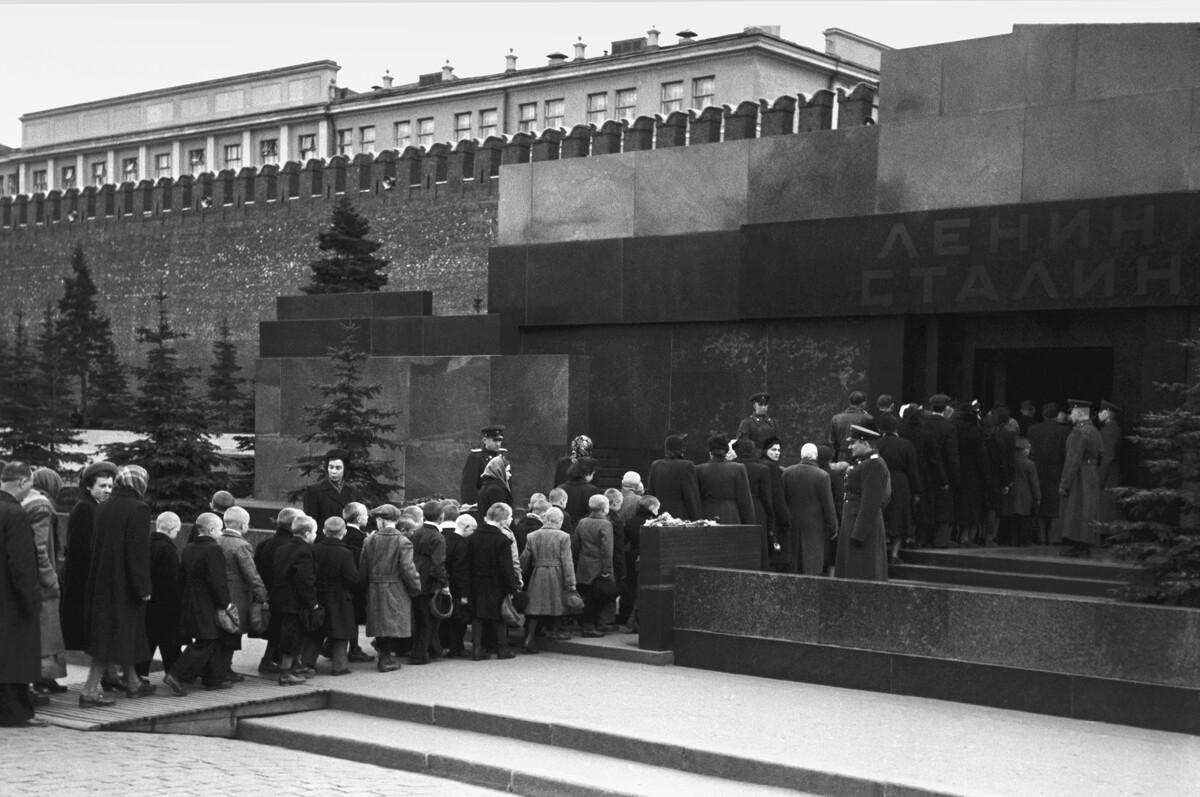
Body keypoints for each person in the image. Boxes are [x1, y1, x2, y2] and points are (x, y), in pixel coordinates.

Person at [80, 464, 156, 705]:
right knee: (112, 636)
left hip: (101, 581)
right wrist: (143, 588)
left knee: (119, 634)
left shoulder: (103, 507)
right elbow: (137, 553)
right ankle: (89, 690)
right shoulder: (139, 509)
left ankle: (133, 682)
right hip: (124, 586)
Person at [162, 513, 232, 696]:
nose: (222, 532)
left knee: (207, 638)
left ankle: (211, 679)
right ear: (211, 530)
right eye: (220, 529)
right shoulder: (214, 549)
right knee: (207, 640)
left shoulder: (188, 549)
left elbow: (182, 577)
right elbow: (218, 580)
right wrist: (225, 603)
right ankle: (177, 674)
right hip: (207, 603)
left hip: (190, 601)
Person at [0, 462, 46, 727]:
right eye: (30, 484)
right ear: (22, 482)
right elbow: (22, 564)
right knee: (15, 658)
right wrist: (32, 599)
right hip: (12, 601)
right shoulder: (15, 514)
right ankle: (16, 713)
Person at [59, 461, 117, 658]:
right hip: (82, 581)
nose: (108, 490)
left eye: (110, 486)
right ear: (88, 486)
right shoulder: (86, 508)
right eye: (102, 486)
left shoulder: (95, 507)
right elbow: (82, 551)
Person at [22, 468, 67, 695]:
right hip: (42, 579)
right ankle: (39, 681)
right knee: (45, 634)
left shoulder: (29, 501)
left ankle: (43, 679)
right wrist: (50, 578)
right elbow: (40, 547)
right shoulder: (42, 506)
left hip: (32, 577)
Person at [360, 505, 422, 672]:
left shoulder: (369, 540)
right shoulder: (403, 541)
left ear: (381, 521)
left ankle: (384, 657)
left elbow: (363, 568)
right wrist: (416, 587)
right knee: (391, 623)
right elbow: (408, 569)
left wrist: (364, 587)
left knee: (379, 623)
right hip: (395, 587)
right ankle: (385, 660)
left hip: (374, 586)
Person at [215, 506, 267, 684]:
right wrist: (263, 596)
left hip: (217, 593)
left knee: (219, 634)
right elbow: (251, 575)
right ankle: (224, 669)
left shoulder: (216, 540)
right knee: (232, 633)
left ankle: (219, 667)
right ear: (243, 524)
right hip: (236, 596)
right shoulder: (242, 545)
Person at [834, 425, 891, 582]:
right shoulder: (864, 462)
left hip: (862, 528)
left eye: (854, 443)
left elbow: (871, 502)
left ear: (865, 444)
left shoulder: (874, 464)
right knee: (850, 570)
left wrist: (859, 533)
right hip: (852, 522)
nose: (850, 446)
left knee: (861, 572)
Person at [271, 515, 321, 684]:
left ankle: (290, 667)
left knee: (284, 635)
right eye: (314, 532)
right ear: (307, 533)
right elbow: (305, 580)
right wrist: (312, 603)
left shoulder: (282, 549)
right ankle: (286, 673)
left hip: (279, 599)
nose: (315, 535)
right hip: (295, 601)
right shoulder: (305, 552)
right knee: (292, 637)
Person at [519, 506, 576, 652]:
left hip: (537, 572)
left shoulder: (532, 536)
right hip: (556, 573)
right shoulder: (564, 537)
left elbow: (524, 558)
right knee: (557, 602)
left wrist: (520, 575)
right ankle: (555, 632)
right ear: (560, 520)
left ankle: (529, 636)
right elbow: (567, 561)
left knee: (535, 606)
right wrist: (571, 582)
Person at [468, 503, 519, 659]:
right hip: (496, 583)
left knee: (477, 616)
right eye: (509, 517)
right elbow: (506, 567)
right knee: (500, 615)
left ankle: (477, 649)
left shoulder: (472, 538)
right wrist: (512, 586)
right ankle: (502, 649)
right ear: (503, 521)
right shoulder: (502, 540)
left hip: (475, 581)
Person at [136, 511, 183, 681]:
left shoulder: (146, 544)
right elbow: (171, 581)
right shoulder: (168, 549)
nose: (177, 534)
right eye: (177, 530)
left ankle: (138, 675)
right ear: (170, 529)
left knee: (148, 641)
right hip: (165, 605)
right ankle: (174, 675)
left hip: (147, 603)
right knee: (170, 643)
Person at [253, 507, 300, 674]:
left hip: (267, 592)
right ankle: (287, 663)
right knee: (285, 629)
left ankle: (269, 658)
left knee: (275, 629)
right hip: (284, 595)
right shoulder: (291, 546)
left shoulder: (264, 543)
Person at [312, 517, 361, 675]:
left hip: (318, 594)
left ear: (324, 531)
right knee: (341, 631)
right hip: (340, 597)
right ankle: (340, 666)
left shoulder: (315, 549)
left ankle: (307, 663)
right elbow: (353, 577)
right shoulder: (346, 553)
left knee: (316, 631)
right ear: (344, 532)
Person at [782, 444, 838, 576]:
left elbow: (783, 501)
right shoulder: (823, 476)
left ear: (801, 456)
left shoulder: (787, 472)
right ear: (816, 456)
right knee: (812, 564)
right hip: (815, 527)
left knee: (794, 565)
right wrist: (833, 527)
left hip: (792, 525)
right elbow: (828, 505)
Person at [1059, 399, 1104, 557]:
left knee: (1076, 509)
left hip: (1080, 474)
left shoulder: (1078, 432)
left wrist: (1065, 484)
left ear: (1079, 413)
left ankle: (1078, 543)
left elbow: (1072, 460)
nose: (1070, 415)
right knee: (1088, 509)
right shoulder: (1095, 431)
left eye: (1072, 412)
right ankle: (1085, 543)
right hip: (1091, 473)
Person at [876, 413, 921, 563]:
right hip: (901, 483)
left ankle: (880, 552)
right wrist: (916, 491)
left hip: (881, 480)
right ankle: (894, 555)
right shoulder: (906, 445)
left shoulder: (877, 444)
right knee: (899, 517)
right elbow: (913, 470)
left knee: (883, 516)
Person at [409, 501, 450, 665]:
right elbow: (438, 565)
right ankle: (420, 654)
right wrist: (445, 584)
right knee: (429, 620)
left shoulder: (416, 533)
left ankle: (431, 650)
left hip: (414, 577)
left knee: (419, 618)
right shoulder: (438, 537)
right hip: (429, 582)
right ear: (442, 517)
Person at [1027, 402, 1070, 544]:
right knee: (1055, 509)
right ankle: (1054, 539)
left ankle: (1041, 539)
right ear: (1057, 415)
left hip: (1037, 472)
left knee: (1039, 507)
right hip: (1056, 473)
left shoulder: (1032, 430)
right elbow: (1066, 454)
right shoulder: (1064, 431)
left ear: (1042, 414)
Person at [573, 494, 614, 638]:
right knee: (596, 598)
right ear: (604, 509)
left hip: (584, 564)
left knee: (586, 595)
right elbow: (607, 549)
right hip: (598, 566)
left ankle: (585, 622)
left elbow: (575, 544)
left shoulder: (582, 522)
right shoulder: (605, 524)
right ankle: (590, 626)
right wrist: (608, 569)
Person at [923, 394, 960, 548]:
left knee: (926, 505)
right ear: (946, 409)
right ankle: (940, 540)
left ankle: (923, 539)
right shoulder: (949, 427)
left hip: (925, 471)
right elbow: (951, 455)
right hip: (943, 471)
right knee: (943, 508)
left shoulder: (924, 423)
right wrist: (954, 477)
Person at [339, 502, 374, 663]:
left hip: (342, 582)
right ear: (359, 519)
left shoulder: (343, 533)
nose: (368, 516)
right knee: (353, 616)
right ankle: (354, 648)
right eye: (366, 514)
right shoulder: (359, 538)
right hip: (355, 583)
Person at [733, 438, 774, 569]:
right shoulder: (762, 469)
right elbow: (767, 497)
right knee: (758, 547)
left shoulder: (732, 466)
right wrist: (771, 518)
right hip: (757, 508)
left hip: (736, 508)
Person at [696, 435, 755, 525]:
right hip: (731, 515)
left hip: (707, 515)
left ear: (710, 452)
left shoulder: (699, 469)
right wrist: (750, 524)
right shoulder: (738, 468)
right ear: (726, 451)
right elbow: (745, 500)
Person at [438, 509, 473, 658]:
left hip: (446, 585)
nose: (473, 532)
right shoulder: (462, 545)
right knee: (459, 621)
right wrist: (465, 594)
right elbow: (461, 572)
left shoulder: (446, 540)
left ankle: (446, 644)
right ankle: (456, 647)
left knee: (446, 620)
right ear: (466, 527)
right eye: (473, 529)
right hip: (458, 589)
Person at [647, 434, 702, 521]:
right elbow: (691, 497)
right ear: (681, 449)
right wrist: (697, 520)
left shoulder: (655, 465)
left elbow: (650, 494)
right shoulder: (687, 466)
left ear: (666, 448)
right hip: (680, 518)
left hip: (658, 517)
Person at [302, 449, 359, 528]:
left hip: (348, 538)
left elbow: (358, 520)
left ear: (345, 469)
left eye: (338, 468)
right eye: (331, 467)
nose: (333, 471)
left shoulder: (353, 490)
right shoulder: (314, 491)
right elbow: (311, 524)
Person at [760, 437, 792, 572]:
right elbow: (777, 497)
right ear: (765, 450)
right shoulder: (772, 468)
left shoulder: (761, 464)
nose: (777, 453)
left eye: (779, 450)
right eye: (773, 450)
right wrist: (786, 519)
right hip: (774, 518)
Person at [1002, 438, 1041, 546]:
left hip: (1013, 491)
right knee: (1025, 518)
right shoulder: (1029, 464)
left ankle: (1014, 540)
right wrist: (1037, 496)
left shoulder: (1011, 461)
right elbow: (1034, 483)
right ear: (1025, 449)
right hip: (1025, 493)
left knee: (1014, 519)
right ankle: (1025, 541)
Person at [460, 425, 506, 505]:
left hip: (502, 503)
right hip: (484, 503)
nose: (498, 444)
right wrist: (472, 506)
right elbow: (469, 486)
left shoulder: (503, 456)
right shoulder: (475, 457)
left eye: (500, 441)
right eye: (494, 440)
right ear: (485, 440)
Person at [1097, 400, 1124, 523]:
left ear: (1107, 413)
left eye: (1101, 412)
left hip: (1108, 473)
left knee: (1106, 506)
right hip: (1111, 471)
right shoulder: (1111, 428)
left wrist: (1100, 477)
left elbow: (1108, 455)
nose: (1098, 414)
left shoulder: (1109, 430)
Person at [830, 391, 873, 463]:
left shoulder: (836, 419)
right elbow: (871, 443)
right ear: (863, 404)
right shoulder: (867, 418)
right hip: (861, 458)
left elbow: (832, 443)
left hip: (842, 458)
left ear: (850, 403)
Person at [557, 457, 601, 521]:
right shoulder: (592, 490)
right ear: (588, 472)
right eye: (593, 474)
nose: (592, 477)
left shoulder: (560, 488)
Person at [476, 455, 514, 521]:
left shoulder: (485, 486)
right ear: (500, 471)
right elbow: (501, 517)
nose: (510, 475)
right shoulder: (497, 490)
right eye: (507, 471)